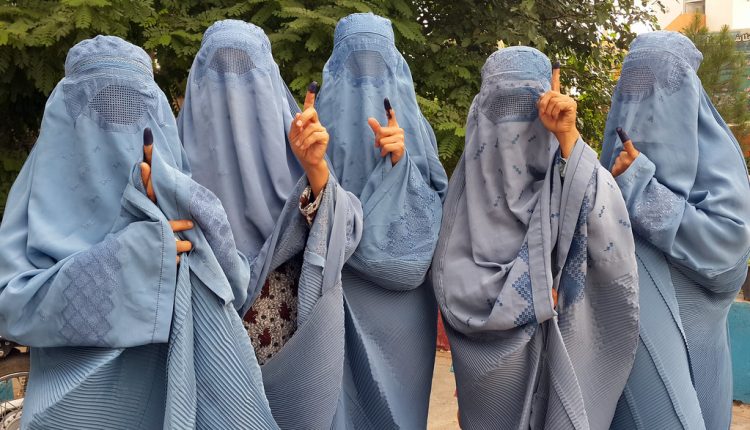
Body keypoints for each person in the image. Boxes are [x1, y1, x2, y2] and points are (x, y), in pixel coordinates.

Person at [0, 35, 284, 428]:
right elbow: (11, 304)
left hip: (171, 402)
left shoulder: (178, 190)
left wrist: (176, 214)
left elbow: (234, 281)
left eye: (134, 106)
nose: (119, 124)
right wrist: (134, 258)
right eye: (99, 105)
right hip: (70, 411)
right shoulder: (37, 200)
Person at [431, 46, 640, 429]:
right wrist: (536, 292)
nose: (514, 126)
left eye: (527, 107)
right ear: (480, 113)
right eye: (502, 106)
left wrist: (568, 135)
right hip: (487, 393)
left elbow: (610, 241)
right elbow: (451, 285)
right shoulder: (462, 204)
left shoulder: (570, 178)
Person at [177, 20, 363, 428]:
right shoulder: (172, 166)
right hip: (207, 367)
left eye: (247, 73)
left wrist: (316, 170)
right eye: (219, 73)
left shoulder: (300, 151)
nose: (233, 96)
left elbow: (345, 234)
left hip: (293, 366)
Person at [602, 31, 750, 430]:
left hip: (699, 354)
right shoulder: (609, 162)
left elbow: (727, 256)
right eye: (632, 87)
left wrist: (640, 188)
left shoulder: (718, 163)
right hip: (619, 360)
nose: (643, 101)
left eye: (660, 85)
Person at [314, 13, 448, 429]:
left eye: (378, 66)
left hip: (403, 312)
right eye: (354, 67)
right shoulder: (310, 132)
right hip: (333, 297)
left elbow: (442, 212)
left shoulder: (416, 132)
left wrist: (401, 165)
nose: (367, 82)